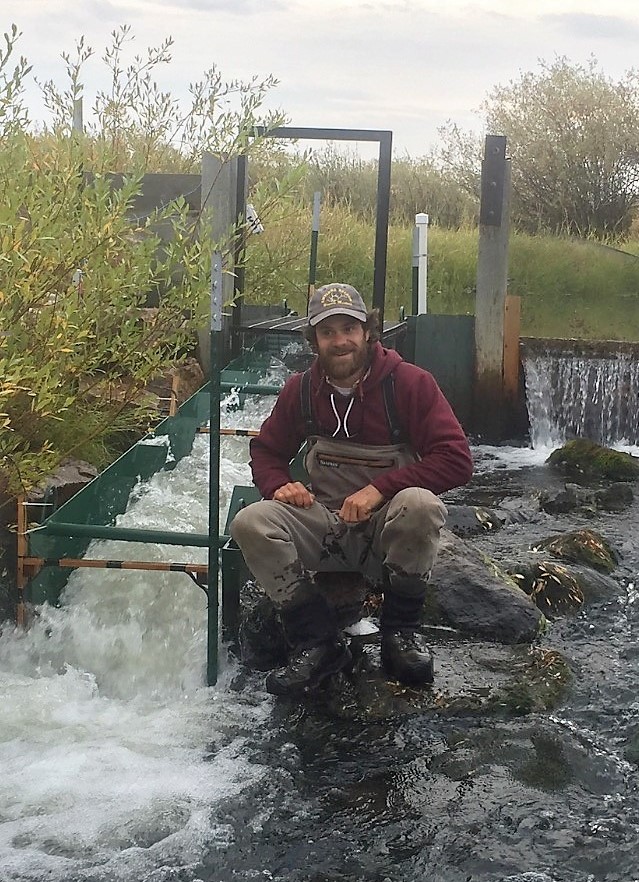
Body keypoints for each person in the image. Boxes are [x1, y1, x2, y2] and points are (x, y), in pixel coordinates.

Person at [230, 282, 473, 696]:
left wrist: (380, 489)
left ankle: (400, 637)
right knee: (250, 521)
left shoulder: (411, 384)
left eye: (349, 328)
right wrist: (280, 485)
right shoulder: (300, 390)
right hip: (326, 526)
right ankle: (318, 643)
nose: (340, 341)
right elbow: (266, 450)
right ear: (314, 340)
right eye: (328, 332)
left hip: (386, 536)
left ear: (368, 331)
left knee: (420, 505)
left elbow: (457, 460)